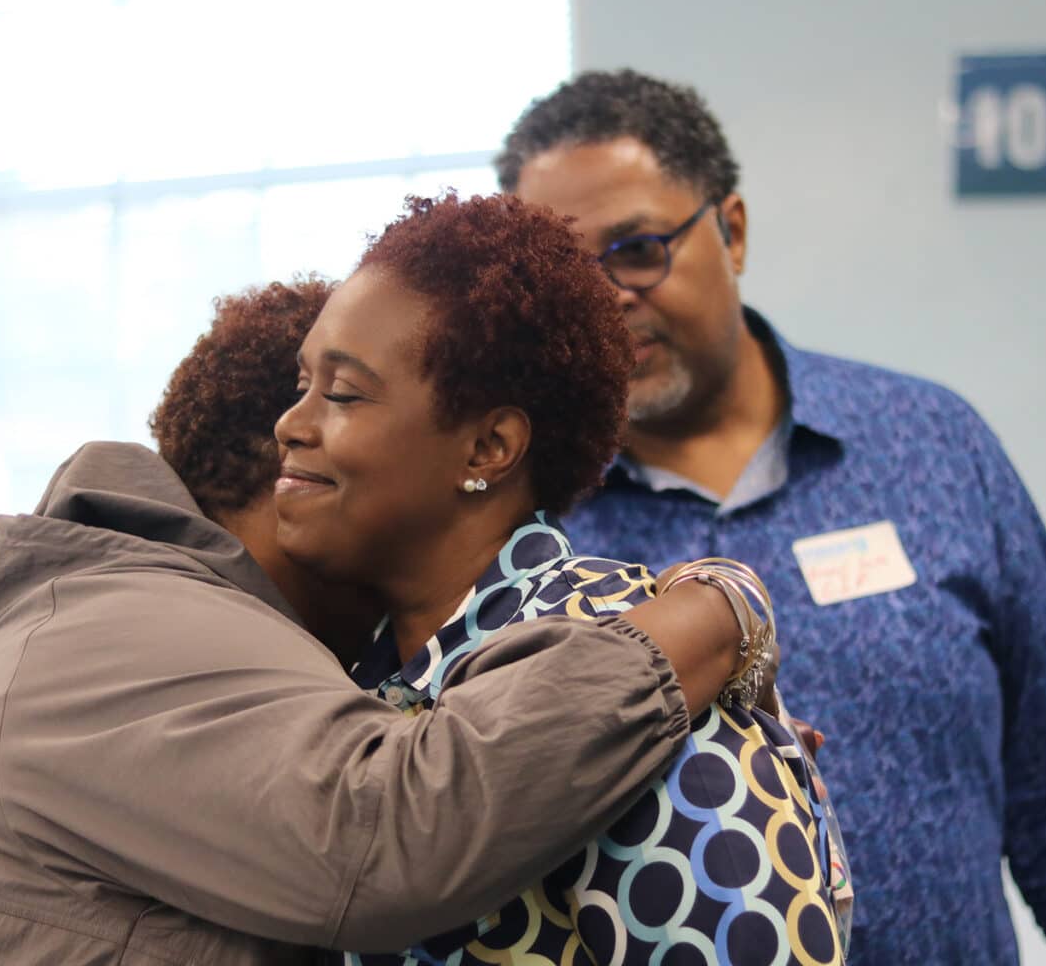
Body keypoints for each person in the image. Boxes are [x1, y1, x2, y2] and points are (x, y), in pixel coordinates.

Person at [496, 69, 1046, 964]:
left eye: (638, 248)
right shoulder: (518, 525)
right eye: (568, 274)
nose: (606, 297)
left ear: (733, 230)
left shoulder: (929, 445)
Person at [0, 278, 752, 965]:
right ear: (293, 464)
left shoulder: (123, 610)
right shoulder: (126, 631)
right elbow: (394, 833)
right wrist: (718, 613)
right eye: (315, 394)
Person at [276, 192, 847, 966]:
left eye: (343, 394)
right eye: (301, 386)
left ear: (488, 448)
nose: (292, 424)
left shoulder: (656, 685)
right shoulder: (364, 674)